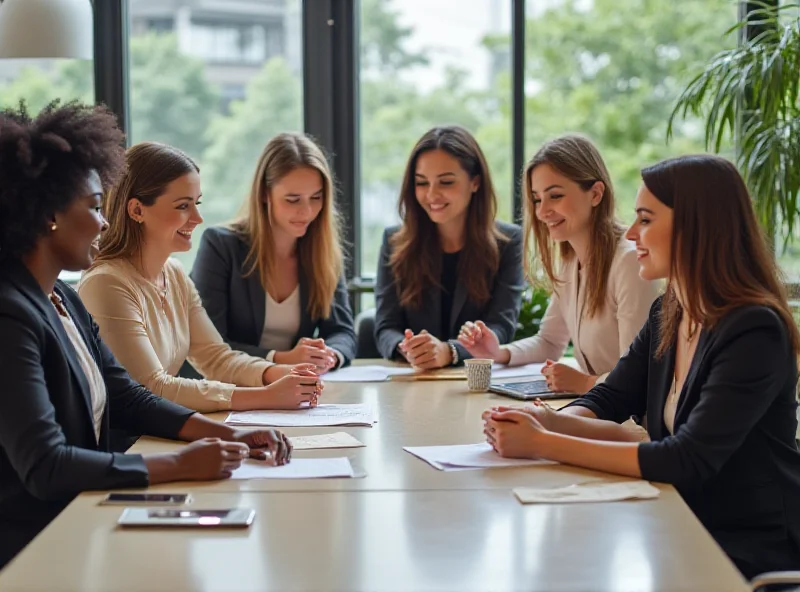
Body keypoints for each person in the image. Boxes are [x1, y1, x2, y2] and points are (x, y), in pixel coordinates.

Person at [0, 101, 292, 569]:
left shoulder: (63, 299)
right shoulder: (10, 317)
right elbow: (46, 466)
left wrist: (227, 435)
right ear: (48, 215)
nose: (102, 221)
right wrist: (178, 465)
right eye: (94, 208)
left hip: (84, 515)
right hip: (38, 547)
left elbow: (130, 397)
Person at [483, 154, 800, 578]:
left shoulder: (755, 330)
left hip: (741, 546)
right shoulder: (670, 308)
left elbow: (687, 459)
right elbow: (613, 395)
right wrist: (544, 419)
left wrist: (543, 443)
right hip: (674, 519)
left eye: (646, 220)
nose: (631, 233)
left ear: (696, 226)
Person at [78, 141, 322, 412]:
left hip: (162, 431)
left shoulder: (174, 273)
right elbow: (152, 387)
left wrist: (276, 373)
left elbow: (216, 357)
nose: (198, 217)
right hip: (126, 443)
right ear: (136, 210)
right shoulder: (106, 283)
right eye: (183, 206)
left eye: (197, 203)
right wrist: (267, 396)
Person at [459, 135, 660, 393]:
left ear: (596, 194)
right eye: (537, 198)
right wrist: (499, 353)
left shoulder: (630, 262)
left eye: (555, 196)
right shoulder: (570, 260)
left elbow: (637, 375)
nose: (542, 212)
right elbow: (550, 341)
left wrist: (585, 384)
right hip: (601, 409)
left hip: (632, 421)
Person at [191, 132, 356, 375]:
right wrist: (280, 359)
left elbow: (343, 332)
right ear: (265, 195)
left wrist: (329, 355)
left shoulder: (323, 250)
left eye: (316, 198)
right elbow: (210, 345)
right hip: (233, 389)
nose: (307, 211)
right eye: (293, 200)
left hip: (297, 391)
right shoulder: (221, 246)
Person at [374, 125, 524, 369]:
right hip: (412, 377)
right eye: (422, 183)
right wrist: (411, 348)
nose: (432, 194)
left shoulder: (508, 242)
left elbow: (501, 327)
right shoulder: (393, 242)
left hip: (474, 381)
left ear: (475, 182)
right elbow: (385, 327)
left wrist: (450, 351)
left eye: (445, 182)